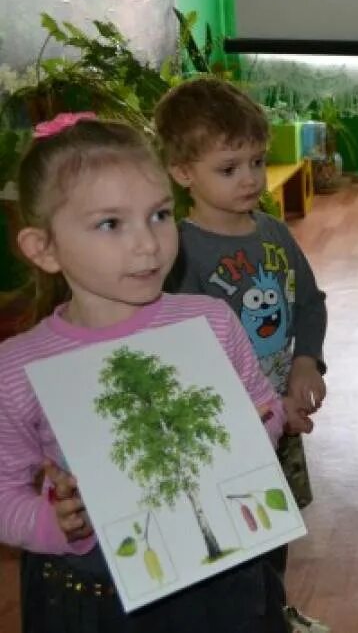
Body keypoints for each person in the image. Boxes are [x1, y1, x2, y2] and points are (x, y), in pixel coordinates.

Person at [0, 113, 288, 632]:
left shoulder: (210, 321)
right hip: (97, 595)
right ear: (43, 248)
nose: (148, 244)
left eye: (158, 215)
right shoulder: (20, 367)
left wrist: (254, 429)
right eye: (111, 224)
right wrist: (53, 523)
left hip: (222, 577)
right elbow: (3, 489)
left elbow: (265, 405)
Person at [154, 78, 328, 633]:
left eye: (256, 160)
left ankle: (271, 611)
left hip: (281, 423)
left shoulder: (275, 232)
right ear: (183, 172)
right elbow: (182, 358)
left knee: (273, 528)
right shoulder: (177, 253)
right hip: (222, 433)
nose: (251, 178)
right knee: (229, 537)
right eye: (229, 168)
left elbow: (310, 303)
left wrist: (306, 362)